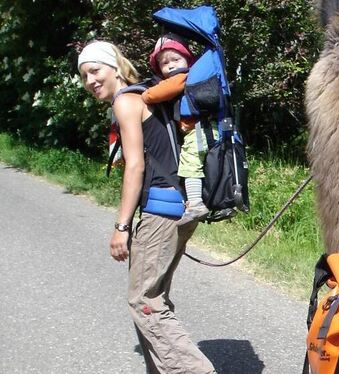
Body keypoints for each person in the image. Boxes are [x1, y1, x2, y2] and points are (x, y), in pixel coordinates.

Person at [77, 40, 216, 374]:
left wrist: (121, 227)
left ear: (114, 67)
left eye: (95, 70)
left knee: (144, 301)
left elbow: (135, 167)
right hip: (179, 208)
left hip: (159, 210)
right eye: (84, 76)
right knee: (155, 298)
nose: (91, 80)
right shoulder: (150, 93)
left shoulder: (126, 101)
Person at [143, 34, 210, 226]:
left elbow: (157, 94)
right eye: (165, 63)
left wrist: (144, 95)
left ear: (187, 60)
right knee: (193, 164)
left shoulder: (182, 76)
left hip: (198, 131)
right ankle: (194, 200)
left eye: (176, 59)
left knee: (190, 164)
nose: (171, 65)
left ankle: (196, 204)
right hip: (197, 131)